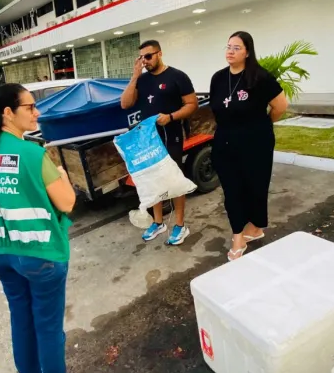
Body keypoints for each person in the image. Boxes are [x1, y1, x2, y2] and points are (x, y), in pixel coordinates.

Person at [0, 84, 90, 373]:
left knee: (21, 321)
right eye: (30, 107)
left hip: (1, 254)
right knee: (49, 328)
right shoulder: (32, 155)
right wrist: (64, 176)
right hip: (40, 255)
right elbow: (66, 202)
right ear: (8, 112)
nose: (37, 113)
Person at [210, 31, 288, 262]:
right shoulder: (218, 78)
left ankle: (254, 228)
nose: (230, 51)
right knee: (232, 190)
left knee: (255, 186)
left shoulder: (260, 77)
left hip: (256, 143)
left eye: (236, 48)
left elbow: (280, 106)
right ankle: (238, 237)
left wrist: (263, 125)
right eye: (228, 47)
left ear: (248, 52)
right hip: (225, 142)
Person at [120, 40, 198, 245]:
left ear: (159, 54)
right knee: (153, 178)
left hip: (170, 134)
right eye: (141, 58)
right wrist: (135, 76)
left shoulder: (177, 76)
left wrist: (171, 116)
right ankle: (158, 222)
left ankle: (180, 225)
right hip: (148, 139)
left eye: (149, 56)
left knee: (174, 179)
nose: (145, 61)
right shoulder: (142, 80)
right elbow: (125, 103)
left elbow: (192, 104)